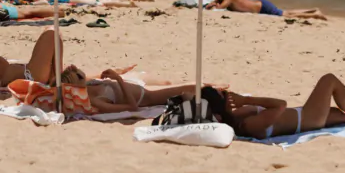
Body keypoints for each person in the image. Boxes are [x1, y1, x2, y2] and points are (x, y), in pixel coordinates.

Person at [211, 74, 345, 139]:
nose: (229, 97)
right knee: (329, 80)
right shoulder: (247, 125)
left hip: (304, 116)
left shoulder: (238, 114)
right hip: (306, 119)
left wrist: (240, 100)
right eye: (224, 97)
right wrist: (247, 101)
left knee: (340, 115)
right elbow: (280, 105)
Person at [59, 66, 229, 113]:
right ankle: (214, 87)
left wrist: (115, 75)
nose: (80, 72)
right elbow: (132, 108)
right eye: (79, 75)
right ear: (77, 86)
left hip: (136, 85)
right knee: (190, 88)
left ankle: (210, 84)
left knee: (169, 81)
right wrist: (118, 79)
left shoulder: (89, 85)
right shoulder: (96, 101)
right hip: (145, 97)